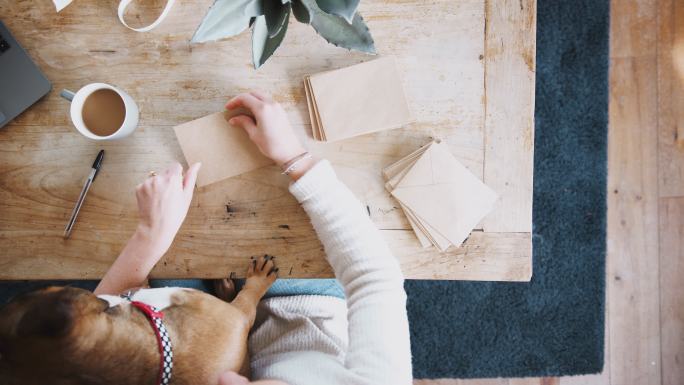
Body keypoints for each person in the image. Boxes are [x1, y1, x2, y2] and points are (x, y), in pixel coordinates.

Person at [95, 91, 413, 385]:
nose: (229, 380)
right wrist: (295, 159)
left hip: (234, 333)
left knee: (171, 268)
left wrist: (149, 234)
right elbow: (375, 276)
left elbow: (103, 322)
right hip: (311, 310)